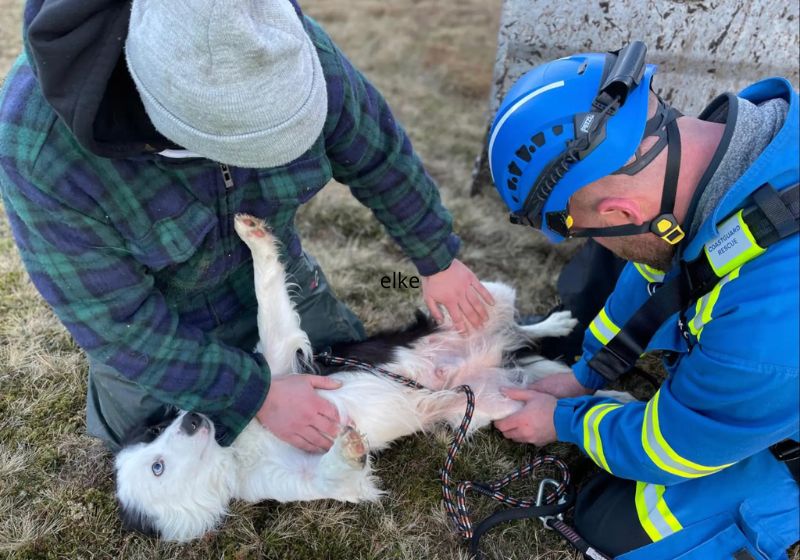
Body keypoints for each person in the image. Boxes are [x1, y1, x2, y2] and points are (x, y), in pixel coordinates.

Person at [0, 0, 493, 453]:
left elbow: (377, 153)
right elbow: (114, 322)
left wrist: (437, 258)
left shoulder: (286, 44)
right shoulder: (41, 147)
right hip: (158, 328)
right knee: (170, 456)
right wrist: (255, 395)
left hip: (280, 282)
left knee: (359, 387)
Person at [488, 43, 799, 559]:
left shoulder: (768, 324)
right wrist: (588, 372)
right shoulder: (736, 157)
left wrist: (562, 422)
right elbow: (664, 271)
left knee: (608, 524)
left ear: (616, 208)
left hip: (774, 375)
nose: (595, 246)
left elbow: (674, 448)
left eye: (583, 232)